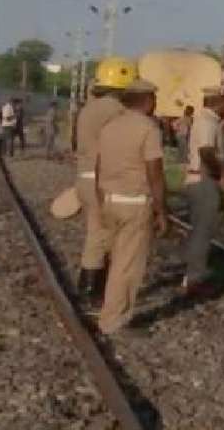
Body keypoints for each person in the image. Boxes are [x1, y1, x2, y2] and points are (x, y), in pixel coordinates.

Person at [95, 79, 167, 335]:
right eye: (154, 99)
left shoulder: (109, 127)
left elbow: (98, 167)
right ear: (147, 100)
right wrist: (161, 210)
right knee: (127, 266)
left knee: (116, 260)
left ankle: (108, 311)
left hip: (110, 200)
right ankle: (113, 321)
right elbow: (154, 173)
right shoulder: (148, 129)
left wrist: (101, 199)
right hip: (134, 204)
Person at [73, 57, 137, 311]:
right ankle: (91, 290)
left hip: (84, 176)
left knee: (96, 231)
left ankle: (90, 286)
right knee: (104, 236)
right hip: (104, 179)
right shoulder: (118, 112)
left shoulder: (88, 109)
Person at [180, 87, 224, 296]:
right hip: (204, 179)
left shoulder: (205, 120)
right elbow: (206, 151)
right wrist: (219, 174)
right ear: (217, 101)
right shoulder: (207, 122)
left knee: (198, 230)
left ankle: (190, 276)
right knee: (202, 232)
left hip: (198, 179)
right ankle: (195, 280)